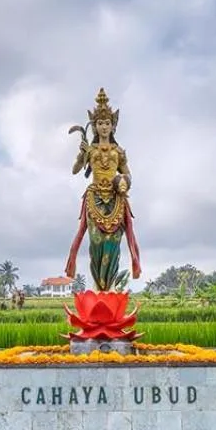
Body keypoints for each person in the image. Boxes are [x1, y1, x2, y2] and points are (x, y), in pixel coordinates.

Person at [63, 88, 142, 291]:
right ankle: (98, 287)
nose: (104, 127)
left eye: (107, 123)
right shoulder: (91, 150)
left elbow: (128, 174)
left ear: (113, 125)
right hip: (94, 198)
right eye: (100, 123)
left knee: (114, 245)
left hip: (116, 200)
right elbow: (75, 170)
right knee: (96, 242)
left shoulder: (119, 152)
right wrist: (81, 155)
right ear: (95, 126)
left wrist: (123, 182)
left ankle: (110, 288)